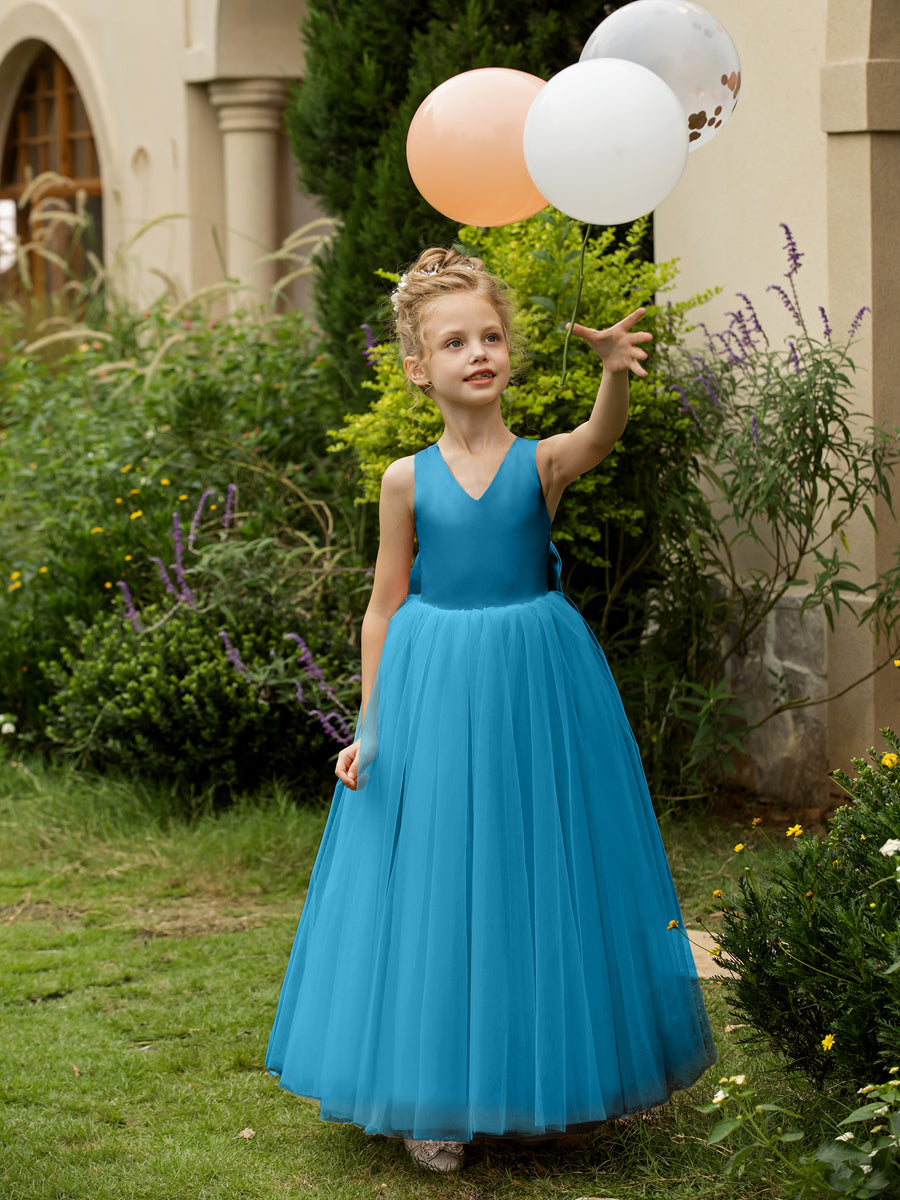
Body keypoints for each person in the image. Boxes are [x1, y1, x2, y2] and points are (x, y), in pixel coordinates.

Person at [265, 247, 716, 1174]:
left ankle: (550, 1078)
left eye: (492, 336)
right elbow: (384, 605)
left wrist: (611, 376)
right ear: (416, 367)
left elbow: (600, 439)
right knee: (438, 877)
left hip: (534, 682)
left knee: (535, 866)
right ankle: (435, 1094)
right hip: (433, 684)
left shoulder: (539, 461)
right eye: (455, 341)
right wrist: (371, 728)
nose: (479, 352)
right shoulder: (405, 479)